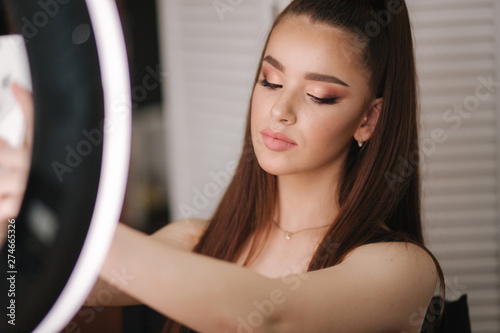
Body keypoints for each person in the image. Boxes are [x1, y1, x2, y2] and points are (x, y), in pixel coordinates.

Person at [1, 0, 445, 332]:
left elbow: (271, 317)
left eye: (319, 96)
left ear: (368, 119)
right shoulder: (199, 241)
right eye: (270, 82)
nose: (280, 111)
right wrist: (13, 216)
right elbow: (22, 296)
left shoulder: (401, 269)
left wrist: (55, 200)